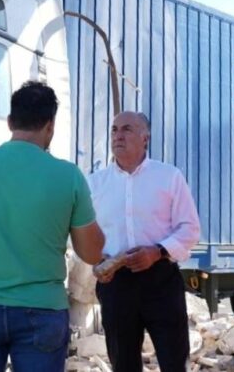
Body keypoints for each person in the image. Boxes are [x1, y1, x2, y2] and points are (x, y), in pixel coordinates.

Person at [0, 81, 105, 372]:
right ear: (50, 126)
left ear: (9, 122)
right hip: (43, 311)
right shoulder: (68, 176)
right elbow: (92, 253)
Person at [89, 111, 201, 372]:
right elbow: (86, 232)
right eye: (114, 129)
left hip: (160, 280)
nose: (118, 135)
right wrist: (96, 259)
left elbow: (190, 228)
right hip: (116, 284)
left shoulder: (169, 177)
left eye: (126, 129)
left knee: (174, 361)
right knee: (123, 363)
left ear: (145, 138)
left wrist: (157, 251)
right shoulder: (94, 184)